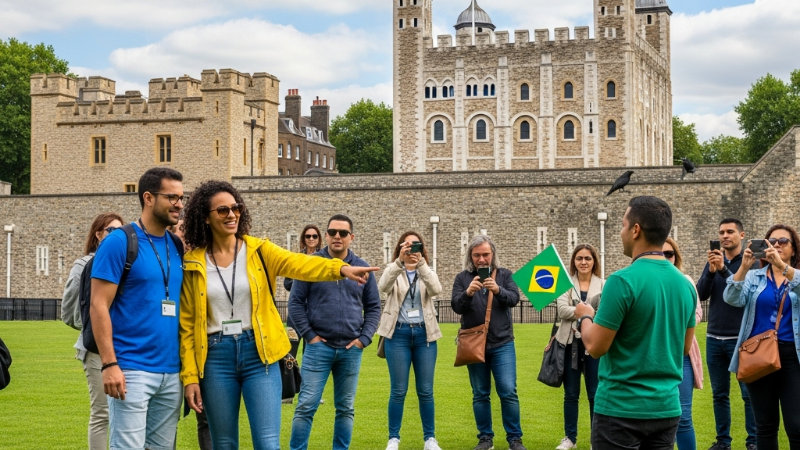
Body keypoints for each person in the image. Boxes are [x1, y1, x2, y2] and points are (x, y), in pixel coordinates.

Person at [179, 183, 375, 450]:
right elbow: (188, 326)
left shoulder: (259, 250)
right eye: (223, 210)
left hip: (260, 353)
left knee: (268, 444)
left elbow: (300, 263)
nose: (231, 215)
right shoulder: (193, 262)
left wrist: (339, 268)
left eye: (236, 208)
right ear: (205, 216)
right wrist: (190, 376)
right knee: (223, 443)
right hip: (216, 357)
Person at [575, 196, 696, 450]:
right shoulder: (686, 285)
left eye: (622, 225)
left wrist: (585, 316)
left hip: (621, 409)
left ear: (636, 230)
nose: (621, 233)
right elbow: (683, 349)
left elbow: (596, 347)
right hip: (666, 409)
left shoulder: (622, 281)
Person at [90, 168, 186, 450]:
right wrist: (109, 364)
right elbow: (98, 305)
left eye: (182, 197)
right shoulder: (119, 242)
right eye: (172, 197)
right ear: (148, 198)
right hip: (131, 370)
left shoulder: (176, 245)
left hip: (171, 372)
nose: (179, 204)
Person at [288, 214, 382, 450]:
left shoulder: (362, 266)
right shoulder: (311, 264)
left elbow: (373, 307)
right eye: (332, 232)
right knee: (306, 406)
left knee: (345, 408)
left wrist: (364, 339)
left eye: (342, 233)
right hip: (319, 348)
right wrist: (311, 336)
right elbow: (295, 303)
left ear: (352, 237)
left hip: (351, 349)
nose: (336, 237)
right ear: (326, 235)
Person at [724, 224, 800, 450]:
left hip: (792, 356)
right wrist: (744, 268)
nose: (776, 244)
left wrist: (782, 267)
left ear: (794, 249)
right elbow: (732, 298)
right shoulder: (755, 276)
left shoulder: (796, 276)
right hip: (758, 354)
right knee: (764, 426)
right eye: (771, 241)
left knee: (796, 425)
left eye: (783, 241)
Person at [451, 235, 527, 450]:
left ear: (492, 254)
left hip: (502, 343)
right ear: (471, 256)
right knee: (480, 393)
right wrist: (468, 293)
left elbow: (514, 298)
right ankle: (485, 438)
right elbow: (456, 306)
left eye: (485, 254)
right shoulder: (462, 278)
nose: (482, 259)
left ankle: (514, 438)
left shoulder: (504, 275)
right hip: (474, 344)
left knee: (508, 391)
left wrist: (498, 290)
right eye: (477, 255)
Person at [62, 212, 123, 450]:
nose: (117, 236)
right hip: (95, 349)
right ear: (98, 234)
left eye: (121, 231)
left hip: (126, 347)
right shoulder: (84, 265)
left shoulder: (124, 261)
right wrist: (96, 326)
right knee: (102, 414)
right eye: (111, 230)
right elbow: (68, 312)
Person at [377, 232, 444, 450]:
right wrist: (399, 262)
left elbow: (436, 289)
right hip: (398, 334)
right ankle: (393, 438)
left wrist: (421, 264)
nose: (411, 249)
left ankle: (430, 439)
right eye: (407, 245)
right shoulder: (394, 269)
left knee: (426, 390)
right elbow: (382, 287)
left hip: (425, 335)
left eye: (416, 245)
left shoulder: (426, 270)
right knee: (398, 390)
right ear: (400, 247)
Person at [697, 218, 756, 450]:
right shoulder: (714, 260)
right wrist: (711, 271)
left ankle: (753, 441)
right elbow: (701, 295)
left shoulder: (752, 261)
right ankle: (723, 441)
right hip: (714, 338)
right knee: (719, 394)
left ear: (741, 235)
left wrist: (722, 268)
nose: (724, 236)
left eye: (730, 232)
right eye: (721, 232)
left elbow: (743, 291)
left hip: (741, 338)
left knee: (748, 394)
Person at [554, 244, 604, 450]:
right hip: (569, 344)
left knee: (595, 394)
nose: (583, 262)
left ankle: (596, 440)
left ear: (594, 261)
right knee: (571, 394)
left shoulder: (604, 284)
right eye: (579, 258)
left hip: (594, 345)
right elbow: (561, 310)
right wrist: (586, 311)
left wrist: (579, 311)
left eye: (588, 258)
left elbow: (606, 312)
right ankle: (570, 439)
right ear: (574, 261)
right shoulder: (566, 284)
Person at [664, 237, 704, 450]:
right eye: (660, 254)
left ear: (676, 257)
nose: (665, 258)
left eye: (669, 254)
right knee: (657, 416)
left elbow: (697, 312)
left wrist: (678, 322)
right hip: (656, 353)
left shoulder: (686, 281)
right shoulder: (646, 280)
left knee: (684, 415)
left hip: (682, 354)